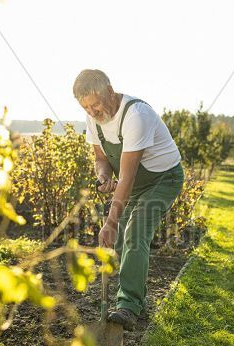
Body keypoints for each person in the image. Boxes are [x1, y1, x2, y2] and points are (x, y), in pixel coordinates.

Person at [73, 69, 185, 331]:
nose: (92, 111)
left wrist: (110, 222)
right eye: (86, 107)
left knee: (135, 232)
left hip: (163, 179)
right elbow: (101, 159)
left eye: (96, 104)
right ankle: (137, 298)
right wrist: (103, 178)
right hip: (133, 183)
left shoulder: (136, 115)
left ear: (110, 91)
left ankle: (129, 306)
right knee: (125, 237)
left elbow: (127, 176)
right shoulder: (93, 119)